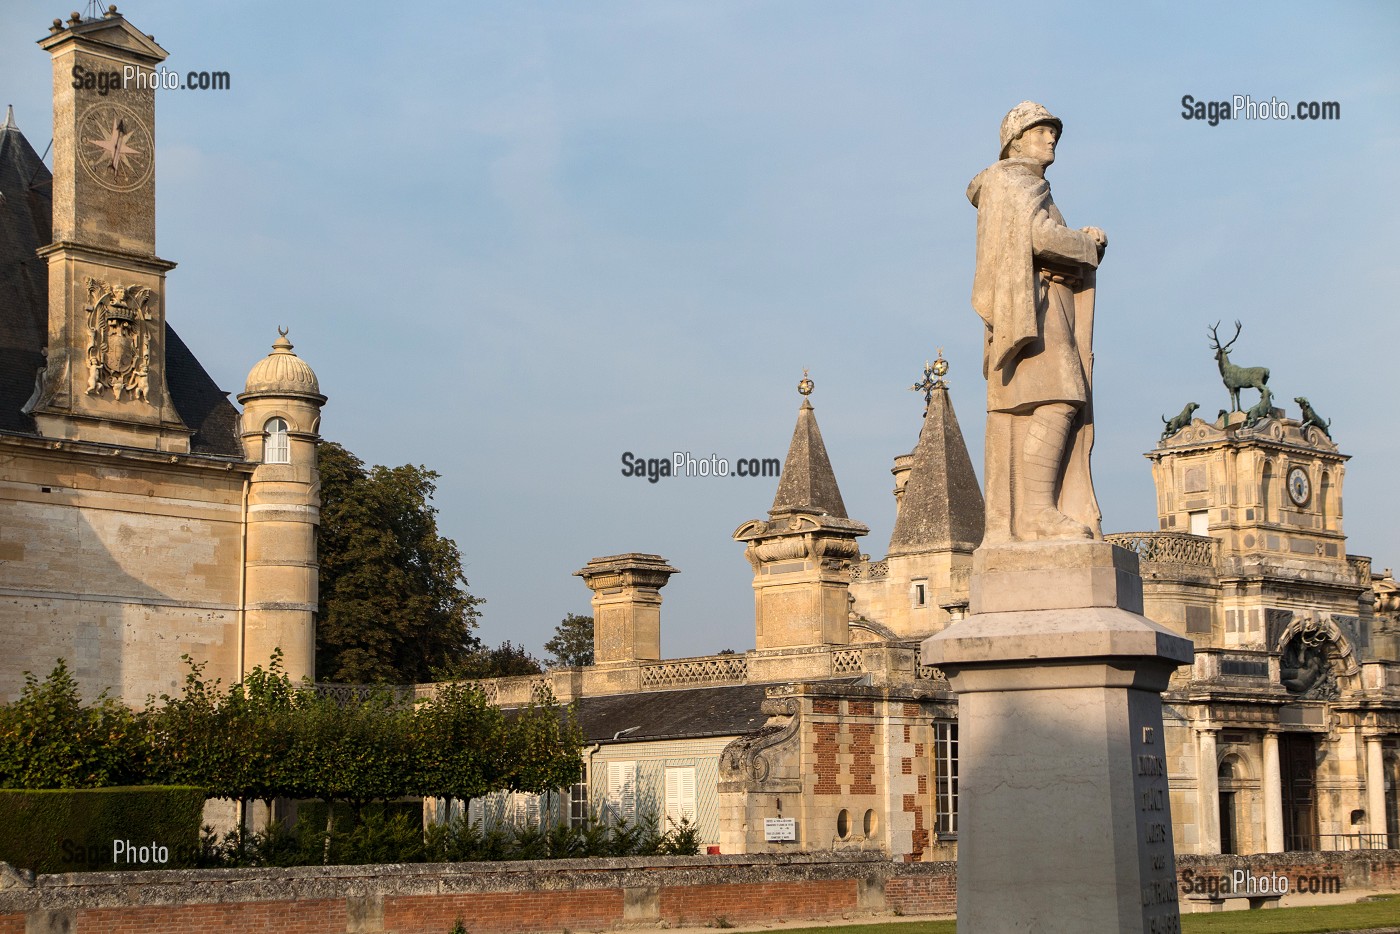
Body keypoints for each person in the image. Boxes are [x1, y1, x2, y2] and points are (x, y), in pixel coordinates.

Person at [967, 101, 1107, 544]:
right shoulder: (1013, 181)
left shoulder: (1024, 185)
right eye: (1042, 131)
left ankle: (1038, 511)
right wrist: (1085, 244)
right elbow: (1039, 237)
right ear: (1016, 139)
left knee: (1061, 398)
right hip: (1032, 314)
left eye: (1054, 133)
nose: (1051, 139)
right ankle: (1036, 513)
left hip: (1046, 308)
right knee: (1061, 396)